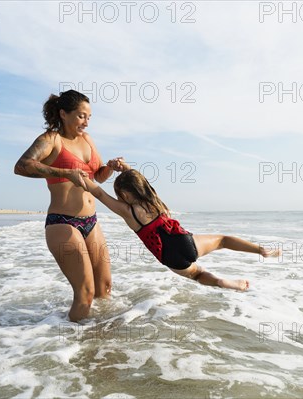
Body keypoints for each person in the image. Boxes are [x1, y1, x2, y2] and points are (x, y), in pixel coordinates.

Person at [14, 90, 122, 322]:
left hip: (91, 222)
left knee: (104, 288)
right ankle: (73, 347)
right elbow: (22, 165)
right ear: (63, 114)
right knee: (85, 293)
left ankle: (100, 340)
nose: (86, 121)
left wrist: (110, 167)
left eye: (89, 117)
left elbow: (98, 176)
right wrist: (63, 173)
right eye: (81, 116)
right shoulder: (51, 140)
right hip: (63, 223)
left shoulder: (87, 139)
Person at [84, 165, 281, 291]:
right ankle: (260, 250)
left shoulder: (128, 211)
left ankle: (221, 282)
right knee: (223, 240)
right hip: (186, 243)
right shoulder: (154, 200)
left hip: (169, 256)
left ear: (125, 195)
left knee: (197, 274)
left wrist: (81, 179)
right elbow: (140, 181)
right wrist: (125, 168)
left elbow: (100, 194)